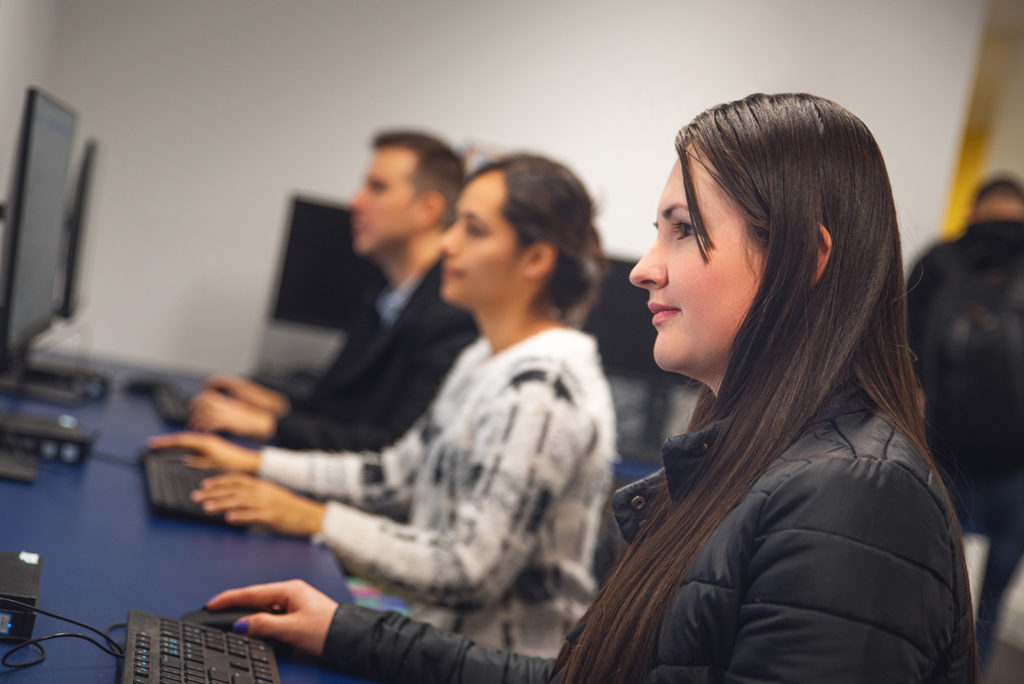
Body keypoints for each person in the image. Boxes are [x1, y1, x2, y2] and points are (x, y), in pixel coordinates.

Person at [184, 93, 977, 682]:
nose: (643, 266)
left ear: (806, 262)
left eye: (685, 230)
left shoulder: (855, 499)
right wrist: (347, 632)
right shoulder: (754, 460)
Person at [150, 155, 617, 658]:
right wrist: (260, 464)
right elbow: (396, 476)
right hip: (436, 639)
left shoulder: (542, 391)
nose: (447, 243)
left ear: (535, 259)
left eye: (474, 230)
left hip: (483, 662)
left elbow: (468, 571)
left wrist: (315, 519)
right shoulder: (484, 357)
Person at [187, 131, 477, 451]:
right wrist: (278, 406)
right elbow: (344, 411)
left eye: (377, 188)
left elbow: (392, 450)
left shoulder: (451, 314)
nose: (355, 202)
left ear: (427, 210)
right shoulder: (388, 295)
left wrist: (270, 425)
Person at [907, 174, 1024, 662]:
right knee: (989, 601)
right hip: (1015, 469)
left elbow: (901, 348)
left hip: (942, 455)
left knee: (923, 590)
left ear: (972, 212)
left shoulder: (936, 263)